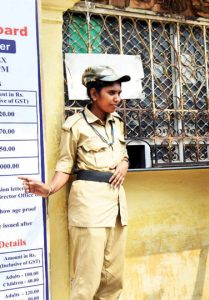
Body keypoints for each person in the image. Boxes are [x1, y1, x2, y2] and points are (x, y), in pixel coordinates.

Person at [19, 65, 131, 300]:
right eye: (111, 93)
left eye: (119, 92)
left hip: (117, 207)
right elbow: (65, 165)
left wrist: (124, 163)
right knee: (86, 280)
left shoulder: (117, 122)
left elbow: (122, 153)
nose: (118, 98)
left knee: (113, 279)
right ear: (93, 94)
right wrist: (49, 188)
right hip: (89, 207)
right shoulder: (75, 125)